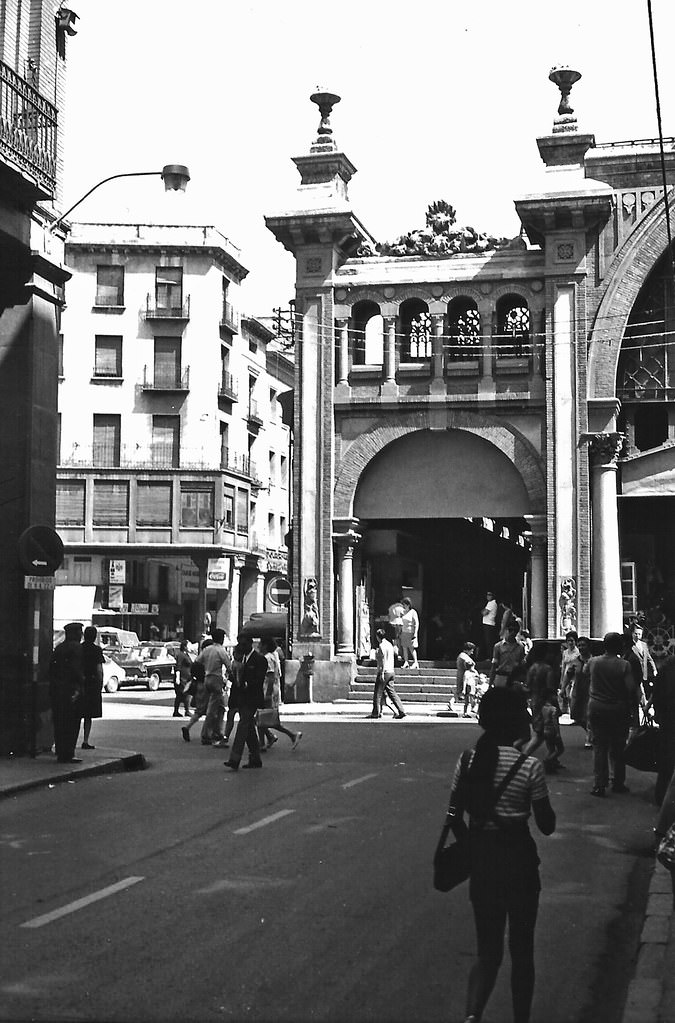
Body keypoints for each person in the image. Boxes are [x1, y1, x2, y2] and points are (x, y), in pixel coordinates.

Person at [446, 687, 556, 1023]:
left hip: (484, 865)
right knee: (522, 952)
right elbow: (547, 825)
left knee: (488, 951)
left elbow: (454, 818)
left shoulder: (468, 760)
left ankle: (472, 1016)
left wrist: (475, 844)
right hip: (520, 862)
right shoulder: (529, 767)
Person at [587, 631, 638, 797]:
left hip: (596, 707)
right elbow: (630, 688)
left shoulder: (593, 662)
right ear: (619, 646)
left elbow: (585, 674)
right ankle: (618, 782)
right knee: (618, 746)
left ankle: (598, 785)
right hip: (617, 709)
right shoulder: (624, 665)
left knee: (599, 747)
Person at [224, 634, 267, 770]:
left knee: (242, 726)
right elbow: (236, 680)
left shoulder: (260, 659)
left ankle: (234, 759)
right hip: (241, 699)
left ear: (250, 644)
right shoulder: (240, 659)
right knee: (248, 729)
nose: (241, 646)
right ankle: (255, 758)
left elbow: (259, 680)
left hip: (252, 699)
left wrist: (247, 684)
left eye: (243, 644)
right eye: (239, 644)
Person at [48, 622, 85, 764]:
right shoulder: (77, 648)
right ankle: (69, 753)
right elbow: (76, 670)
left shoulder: (59, 648)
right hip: (71, 691)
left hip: (57, 691)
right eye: (79, 632)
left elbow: (51, 669)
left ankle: (60, 751)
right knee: (72, 723)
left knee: (59, 722)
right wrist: (81, 682)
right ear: (76, 634)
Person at [256, 636, 302, 751]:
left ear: (265, 645)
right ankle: (269, 738)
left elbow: (270, 677)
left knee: (264, 718)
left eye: (260, 644)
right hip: (269, 691)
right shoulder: (272, 656)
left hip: (267, 691)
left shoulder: (267, 658)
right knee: (261, 718)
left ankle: (290, 735)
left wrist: (267, 693)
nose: (258, 646)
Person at [197, 628, 231, 745]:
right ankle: (206, 734)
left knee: (220, 706)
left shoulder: (207, 650)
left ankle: (218, 731)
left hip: (207, 678)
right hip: (216, 679)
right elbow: (229, 666)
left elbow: (198, 661)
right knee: (212, 709)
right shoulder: (221, 651)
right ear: (221, 639)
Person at [650, 652, 675, 805]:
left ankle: (661, 796)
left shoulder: (666, 665)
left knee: (666, 761)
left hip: (668, 720)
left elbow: (657, 693)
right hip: (669, 718)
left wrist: (658, 714)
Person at [369, 628, 406, 719]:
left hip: (384, 672)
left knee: (377, 693)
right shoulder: (389, 644)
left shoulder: (381, 646)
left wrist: (381, 673)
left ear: (378, 637)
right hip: (391, 671)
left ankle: (375, 713)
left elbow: (382, 661)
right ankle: (401, 710)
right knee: (392, 693)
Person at [80, 625, 104, 750]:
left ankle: (73, 740)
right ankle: (85, 740)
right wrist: (100, 684)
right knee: (88, 715)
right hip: (91, 685)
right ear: (94, 637)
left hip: (79, 683)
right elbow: (99, 669)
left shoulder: (79, 648)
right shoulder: (97, 650)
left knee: (77, 714)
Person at [569, 636, 593, 748]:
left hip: (590, 691)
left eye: (583, 645)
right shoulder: (575, 661)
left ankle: (589, 736)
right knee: (576, 715)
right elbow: (568, 675)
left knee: (588, 715)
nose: (581, 647)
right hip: (578, 691)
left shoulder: (594, 660)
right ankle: (590, 732)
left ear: (588, 646)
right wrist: (563, 688)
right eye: (579, 645)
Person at [489, 620, 527, 688]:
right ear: (506, 630)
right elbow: (494, 665)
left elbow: (522, 665)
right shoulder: (498, 646)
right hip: (501, 676)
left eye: (515, 630)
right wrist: (490, 683)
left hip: (514, 678)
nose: (513, 632)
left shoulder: (520, 647)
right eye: (510, 630)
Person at [180, 660, 208, 741]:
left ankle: (187, 726)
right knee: (209, 711)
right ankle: (207, 733)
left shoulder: (198, 660)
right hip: (205, 685)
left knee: (199, 711)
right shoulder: (207, 662)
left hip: (198, 685)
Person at [559, 632, 581, 715]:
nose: (570, 643)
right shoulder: (565, 653)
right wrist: (561, 680)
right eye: (568, 641)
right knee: (568, 696)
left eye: (572, 640)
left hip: (575, 676)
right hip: (566, 675)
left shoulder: (578, 652)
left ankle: (575, 713)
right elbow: (563, 666)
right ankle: (571, 712)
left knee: (572, 695)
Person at [172, 640, 193, 717]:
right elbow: (178, 666)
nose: (191, 647)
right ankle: (186, 711)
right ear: (185, 647)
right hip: (182, 678)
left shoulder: (187, 654)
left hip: (187, 678)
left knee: (180, 695)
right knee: (186, 694)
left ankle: (176, 711)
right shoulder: (180, 655)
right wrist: (177, 678)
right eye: (189, 645)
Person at [400, 598, 420, 669]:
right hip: (404, 631)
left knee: (411, 648)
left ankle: (415, 662)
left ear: (408, 604)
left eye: (404, 604)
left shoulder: (413, 612)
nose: (403, 606)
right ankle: (406, 661)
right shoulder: (404, 612)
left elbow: (416, 623)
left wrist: (415, 633)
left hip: (411, 631)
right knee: (404, 647)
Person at [455, 642, 477, 706]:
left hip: (463, 675)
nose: (472, 653)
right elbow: (468, 664)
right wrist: (474, 671)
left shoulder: (462, 655)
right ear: (468, 650)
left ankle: (472, 706)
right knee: (462, 691)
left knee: (461, 691)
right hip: (464, 676)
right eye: (471, 651)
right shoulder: (464, 656)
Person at [481, 591, 499, 659]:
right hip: (487, 624)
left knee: (489, 642)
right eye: (487, 594)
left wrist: (483, 611)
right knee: (488, 641)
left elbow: (484, 613)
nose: (488, 596)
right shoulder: (490, 603)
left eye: (490, 595)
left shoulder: (492, 603)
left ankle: (491, 657)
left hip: (489, 624)